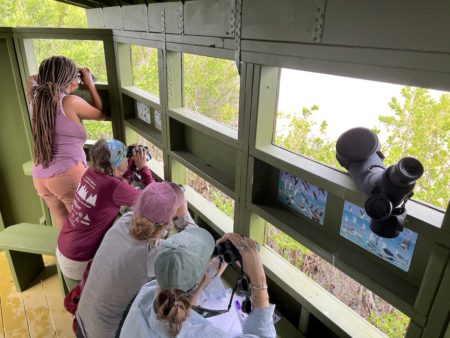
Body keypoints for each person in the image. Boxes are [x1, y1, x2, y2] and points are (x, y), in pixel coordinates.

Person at [76, 181, 195, 338]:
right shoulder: (154, 254)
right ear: (168, 223)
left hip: (81, 319)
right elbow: (197, 243)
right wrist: (184, 214)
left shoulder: (124, 221)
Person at [119, 230, 276, 338]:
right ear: (203, 279)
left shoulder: (147, 293)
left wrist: (219, 259)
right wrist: (259, 280)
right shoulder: (198, 333)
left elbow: (184, 286)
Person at [56, 138, 155, 280]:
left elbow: (115, 182)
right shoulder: (113, 187)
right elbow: (155, 200)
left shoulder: (90, 172)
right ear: (116, 165)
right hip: (78, 263)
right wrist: (143, 168)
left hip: (65, 248)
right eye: (125, 156)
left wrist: (129, 167)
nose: (128, 158)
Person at [29, 55, 105, 228]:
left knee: (63, 226)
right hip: (67, 175)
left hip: (41, 176)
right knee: (85, 227)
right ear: (68, 79)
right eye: (75, 77)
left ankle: (64, 255)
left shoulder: (37, 100)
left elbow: (31, 78)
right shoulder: (70, 101)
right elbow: (101, 113)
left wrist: (51, 76)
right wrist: (90, 85)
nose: (77, 82)